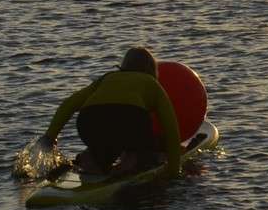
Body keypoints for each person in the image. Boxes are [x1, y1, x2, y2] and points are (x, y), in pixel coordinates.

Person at [39, 45, 183, 179]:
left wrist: (50, 137)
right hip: (129, 121)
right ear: (152, 70)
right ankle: (130, 162)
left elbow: (69, 104)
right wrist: (174, 172)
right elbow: (171, 130)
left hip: (89, 123)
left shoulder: (107, 78)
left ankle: (89, 161)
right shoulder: (152, 84)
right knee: (144, 150)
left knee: (107, 145)